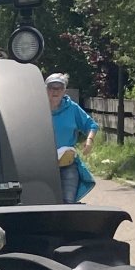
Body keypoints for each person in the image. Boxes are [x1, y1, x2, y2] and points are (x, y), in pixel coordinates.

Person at [45, 72, 98, 203]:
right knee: (43, 202)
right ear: (45, 89)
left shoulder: (72, 108)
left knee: (68, 202)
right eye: (52, 87)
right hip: (42, 164)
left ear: (64, 91)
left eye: (59, 88)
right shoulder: (37, 108)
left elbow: (91, 125)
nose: (55, 91)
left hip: (67, 163)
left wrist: (89, 140)